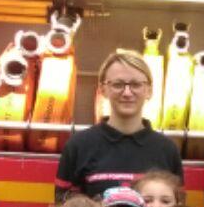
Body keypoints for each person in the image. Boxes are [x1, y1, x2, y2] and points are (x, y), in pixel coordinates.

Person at [56, 51, 182, 199]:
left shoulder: (167, 150)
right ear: (103, 90)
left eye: (136, 84)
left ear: (149, 91)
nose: (127, 93)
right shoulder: (79, 146)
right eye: (118, 84)